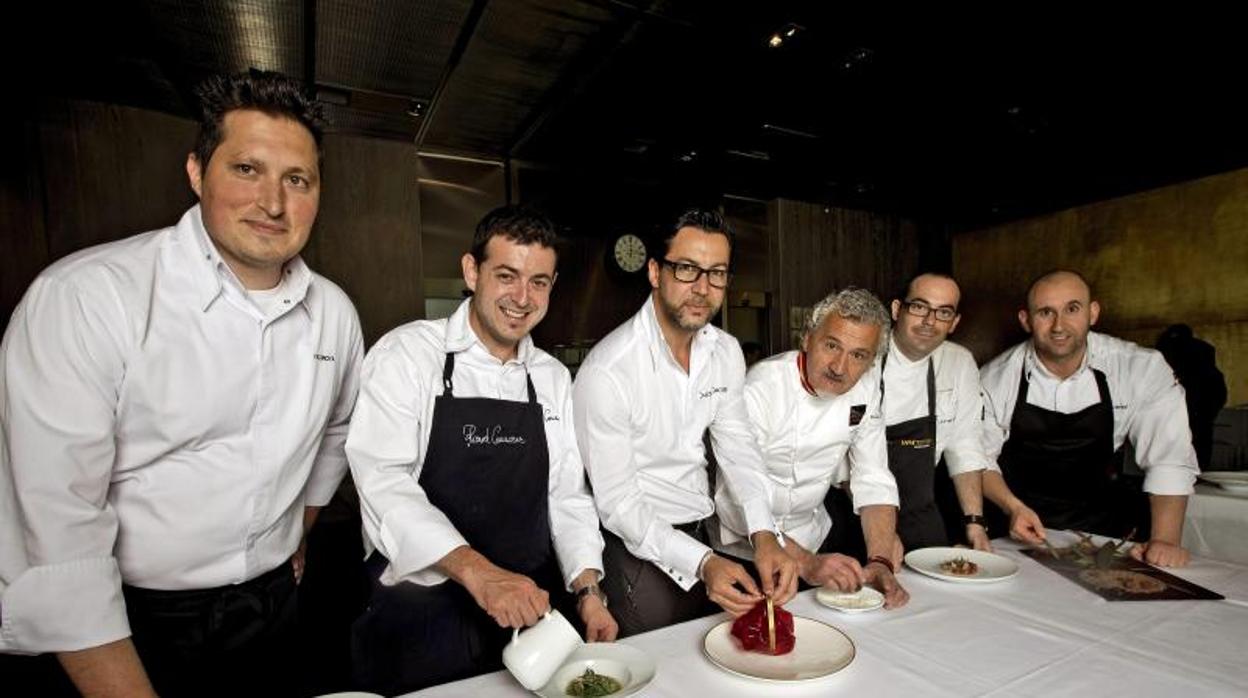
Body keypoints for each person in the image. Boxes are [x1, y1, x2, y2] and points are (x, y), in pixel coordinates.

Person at [0, 70, 363, 696]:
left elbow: (336, 429)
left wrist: (294, 528)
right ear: (197, 172)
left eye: (296, 179)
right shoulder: (86, 298)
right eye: (246, 169)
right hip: (131, 623)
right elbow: (57, 536)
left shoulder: (334, 312)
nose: (273, 203)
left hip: (271, 608)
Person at [346, 206, 616, 694]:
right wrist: (481, 574)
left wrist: (588, 590)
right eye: (507, 276)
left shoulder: (551, 377)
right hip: (422, 612)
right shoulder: (408, 355)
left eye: (539, 282)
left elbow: (567, 496)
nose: (522, 298)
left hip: (527, 614)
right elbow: (383, 484)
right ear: (472, 272)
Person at [573, 209, 798, 637]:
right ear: (656, 272)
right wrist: (703, 562)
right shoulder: (608, 370)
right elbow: (618, 503)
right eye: (688, 269)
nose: (702, 288)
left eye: (717, 273)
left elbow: (738, 448)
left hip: (704, 537)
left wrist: (764, 533)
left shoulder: (726, 351)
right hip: (636, 550)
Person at [980, 270, 1199, 567]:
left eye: (1072, 309)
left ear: (1092, 313)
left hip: (1100, 528)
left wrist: (1166, 541)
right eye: (1046, 312)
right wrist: (1013, 508)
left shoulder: (1141, 368)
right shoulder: (995, 377)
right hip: (1016, 526)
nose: (1059, 325)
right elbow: (978, 459)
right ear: (1025, 320)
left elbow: (1169, 457)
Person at [716, 288, 909, 608]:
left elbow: (873, 476)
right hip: (744, 545)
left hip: (813, 538)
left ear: (872, 362)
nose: (839, 367)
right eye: (832, 345)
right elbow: (735, 495)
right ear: (807, 338)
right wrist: (804, 563)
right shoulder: (760, 389)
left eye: (859, 355)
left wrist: (881, 560)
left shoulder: (868, 387)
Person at [882, 273, 992, 551]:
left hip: (919, 509)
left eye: (943, 312)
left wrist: (975, 522)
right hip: (856, 507)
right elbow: (845, 452)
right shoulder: (865, 355)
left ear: (954, 323)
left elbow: (964, 444)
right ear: (897, 310)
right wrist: (880, 531)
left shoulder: (959, 362)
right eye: (919, 307)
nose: (929, 321)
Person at [1156, 324, 1228, 470]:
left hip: (1184, 419)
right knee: (1195, 459)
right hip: (1195, 418)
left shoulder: (1172, 353)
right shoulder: (1203, 355)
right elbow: (1219, 393)